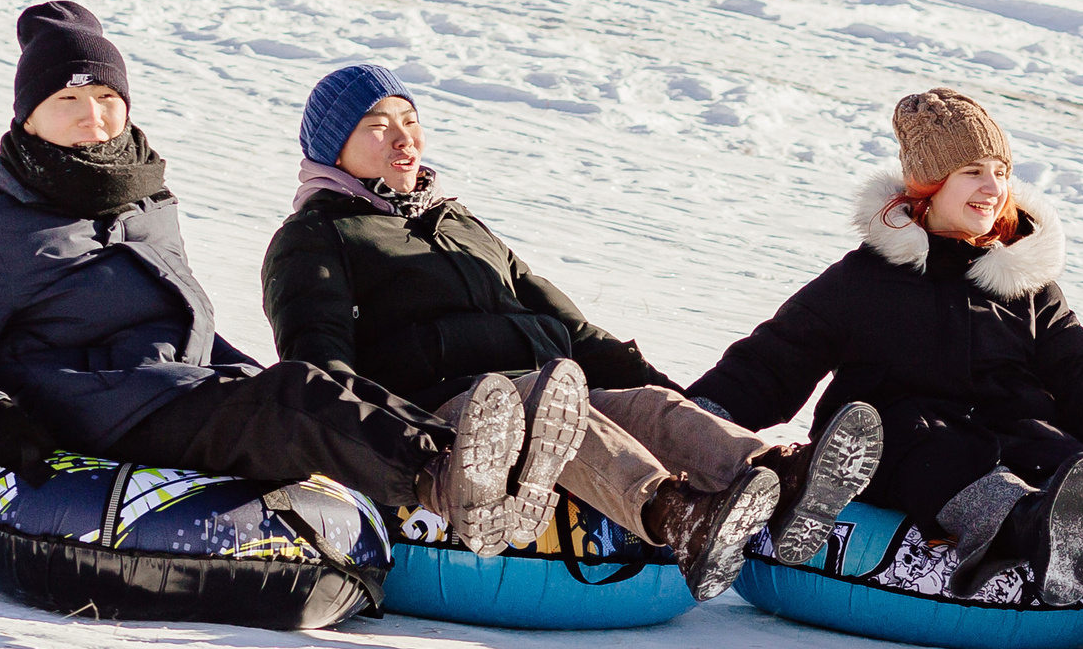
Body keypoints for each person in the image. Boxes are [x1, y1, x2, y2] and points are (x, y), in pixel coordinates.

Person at [0, 2, 567, 562]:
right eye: (68, 99)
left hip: (170, 392)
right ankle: (445, 481)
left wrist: (248, 374)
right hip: (91, 408)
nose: (93, 116)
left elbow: (187, 332)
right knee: (296, 397)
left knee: (308, 387)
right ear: (29, 117)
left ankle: (480, 470)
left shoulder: (146, 203)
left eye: (105, 96)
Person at [259, 65, 881, 600]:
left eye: (410, 120)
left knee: (644, 407)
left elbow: (571, 328)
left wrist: (675, 395)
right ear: (333, 147)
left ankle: (782, 478)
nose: (404, 139)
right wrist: (402, 443)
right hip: (447, 412)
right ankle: (675, 514)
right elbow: (319, 371)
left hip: (542, 388)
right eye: (377, 125)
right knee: (553, 412)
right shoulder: (314, 238)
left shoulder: (460, 224)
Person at [689, 90, 1083, 607]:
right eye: (972, 171)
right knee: (938, 450)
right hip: (897, 443)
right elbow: (771, 363)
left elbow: (1082, 377)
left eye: (1001, 171)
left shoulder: (1029, 288)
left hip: (1010, 435)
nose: (993, 187)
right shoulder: (866, 279)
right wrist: (687, 422)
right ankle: (1026, 526)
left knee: (1058, 451)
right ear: (929, 186)